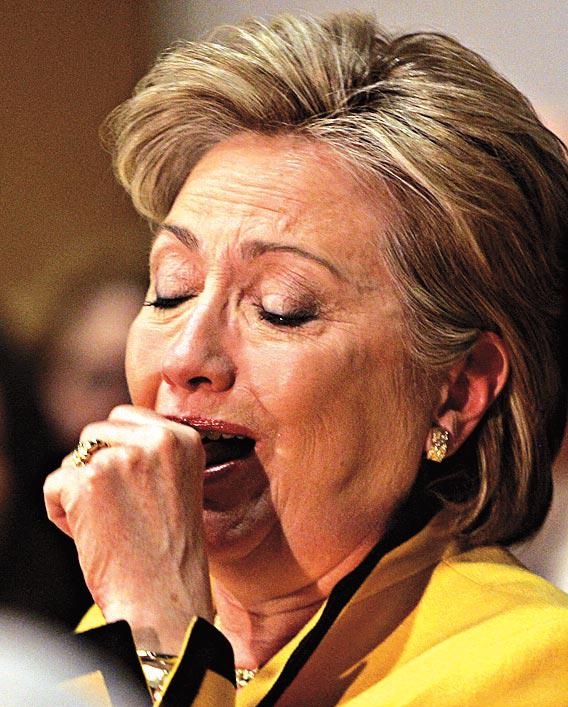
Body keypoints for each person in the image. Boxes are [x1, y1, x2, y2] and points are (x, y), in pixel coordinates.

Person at [44, 13, 568, 705]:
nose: (186, 354)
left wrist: (167, 642)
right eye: (171, 290)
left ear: (456, 392)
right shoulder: (78, 649)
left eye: (280, 308)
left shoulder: (535, 662)